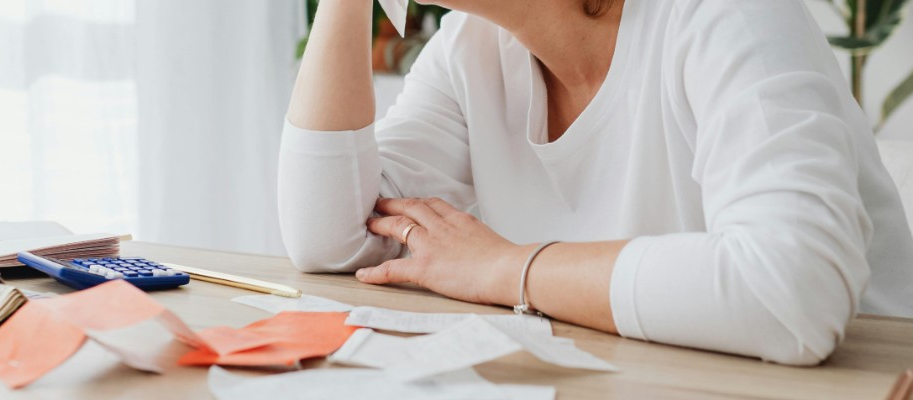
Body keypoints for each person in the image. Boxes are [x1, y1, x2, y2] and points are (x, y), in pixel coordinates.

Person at [278, 0, 913, 366]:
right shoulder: (470, 48)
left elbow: (791, 295)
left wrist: (508, 269)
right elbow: (332, 237)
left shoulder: (728, 13)